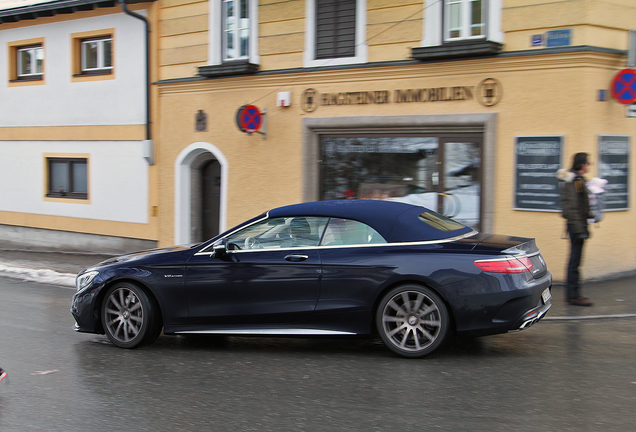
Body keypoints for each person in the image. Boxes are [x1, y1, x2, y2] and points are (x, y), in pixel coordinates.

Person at [556, 152, 593, 306]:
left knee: (576, 260)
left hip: (579, 225)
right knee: (574, 261)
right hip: (576, 226)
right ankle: (573, 295)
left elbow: (581, 203)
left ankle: (575, 293)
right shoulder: (574, 180)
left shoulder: (577, 179)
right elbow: (572, 207)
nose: (589, 165)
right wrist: (580, 229)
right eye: (588, 163)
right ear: (582, 164)